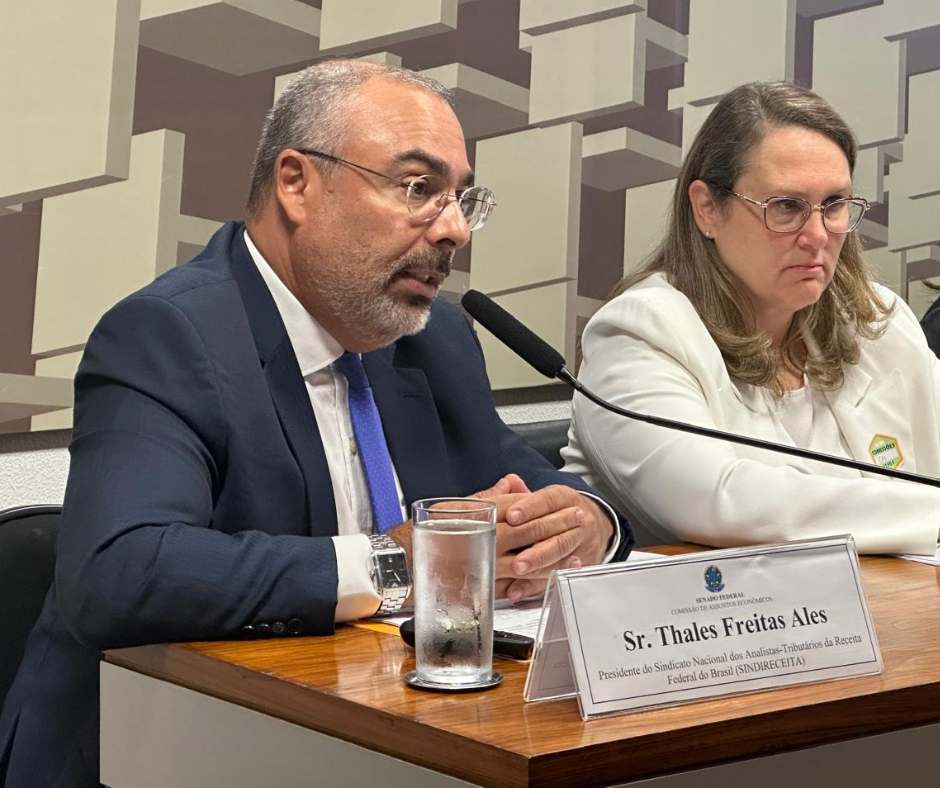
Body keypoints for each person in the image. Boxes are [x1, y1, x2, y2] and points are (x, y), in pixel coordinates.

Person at [0, 60, 632, 788]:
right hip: (157, 751)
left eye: (462, 198)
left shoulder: (435, 340)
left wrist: (590, 523)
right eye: (418, 188)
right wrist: (397, 565)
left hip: (386, 736)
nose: (454, 229)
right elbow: (121, 572)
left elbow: (529, 481)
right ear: (297, 183)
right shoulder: (168, 334)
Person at [562, 80, 940, 554]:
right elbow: (718, 500)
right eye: (786, 207)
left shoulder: (875, 317)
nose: (817, 235)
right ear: (707, 209)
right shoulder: (639, 332)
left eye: (834, 205)